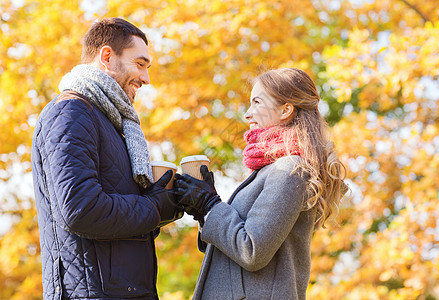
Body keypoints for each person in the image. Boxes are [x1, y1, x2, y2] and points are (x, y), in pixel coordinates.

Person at [31, 18, 181, 299]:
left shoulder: (113, 124)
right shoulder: (71, 113)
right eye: (140, 64)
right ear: (107, 57)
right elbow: (81, 210)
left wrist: (171, 200)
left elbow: (118, 220)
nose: (147, 79)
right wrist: (155, 209)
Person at [174, 68, 347, 299]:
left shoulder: (290, 169)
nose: (247, 114)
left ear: (286, 109)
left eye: (257, 102)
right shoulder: (269, 169)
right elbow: (231, 249)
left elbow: (252, 251)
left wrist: (210, 204)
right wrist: (203, 212)